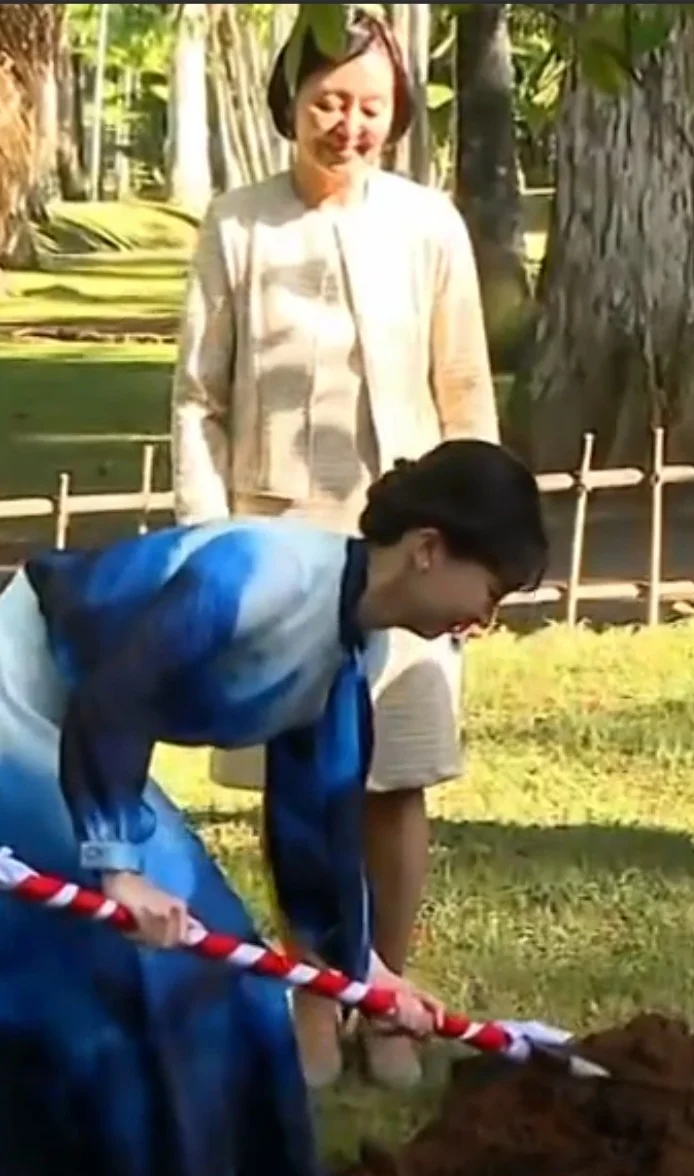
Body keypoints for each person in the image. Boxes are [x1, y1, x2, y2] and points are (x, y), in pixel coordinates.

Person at [0, 439, 547, 1176]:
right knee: (155, 966)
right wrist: (116, 864)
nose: (487, 618)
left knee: (233, 970)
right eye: (492, 589)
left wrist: (366, 970)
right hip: (19, 697)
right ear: (429, 549)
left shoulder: (354, 652)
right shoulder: (262, 575)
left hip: (82, 733)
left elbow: (315, 822)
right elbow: (117, 696)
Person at [171, 9, 499, 1090]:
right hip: (278, 548)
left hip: (409, 559)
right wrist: (211, 543)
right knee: (298, 790)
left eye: (367, 105)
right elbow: (197, 401)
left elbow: (465, 395)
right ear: (291, 103)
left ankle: (389, 995)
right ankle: (318, 988)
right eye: (327, 102)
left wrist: (476, 554)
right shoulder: (238, 227)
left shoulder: (429, 227)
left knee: (395, 779)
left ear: (395, 113)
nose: (346, 124)